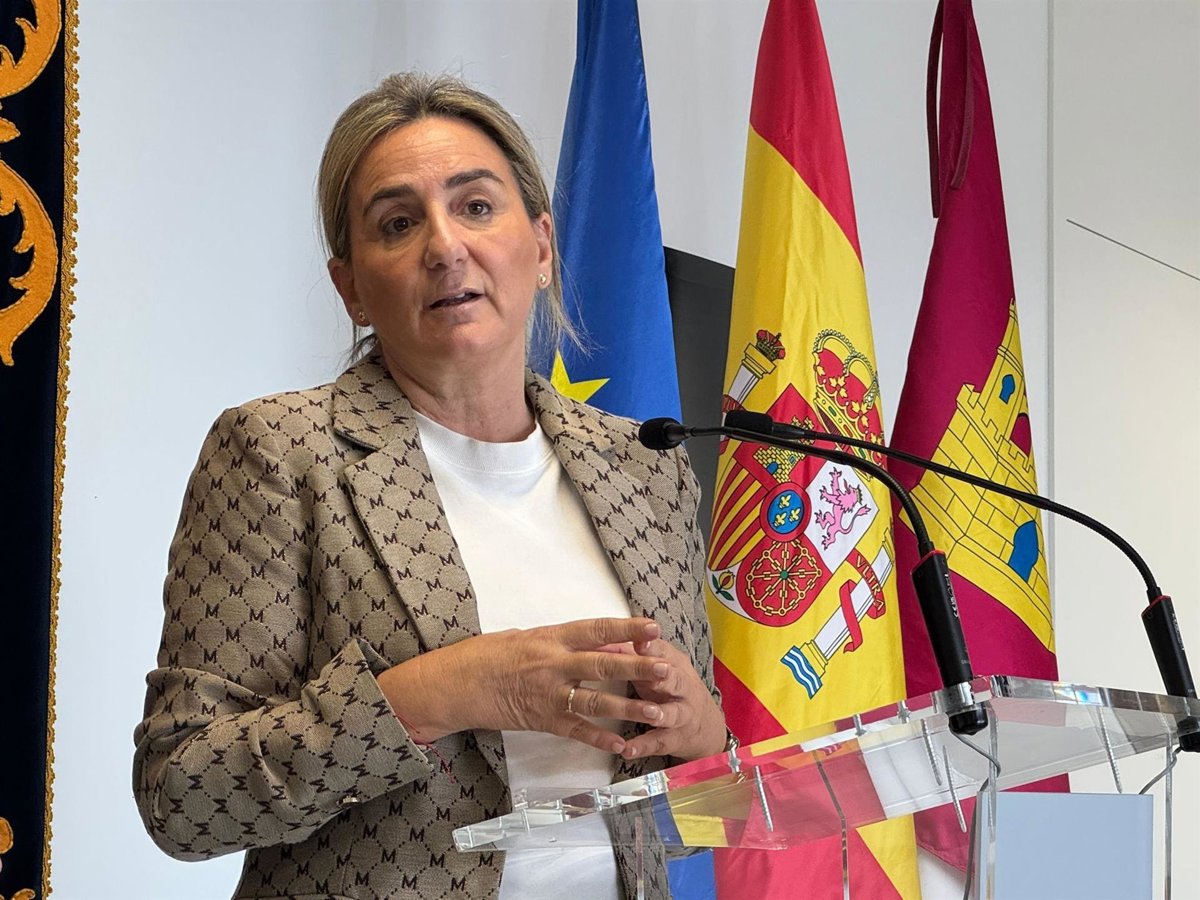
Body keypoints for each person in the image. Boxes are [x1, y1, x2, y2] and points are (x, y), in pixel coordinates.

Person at [133, 72, 727, 900]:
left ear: (543, 248)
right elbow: (183, 796)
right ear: (351, 287)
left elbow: (692, 808)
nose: (445, 246)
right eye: (398, 223)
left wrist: (702, 736)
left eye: (476, 206)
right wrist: (447, 691)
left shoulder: (643, 464)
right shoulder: (281, 453)